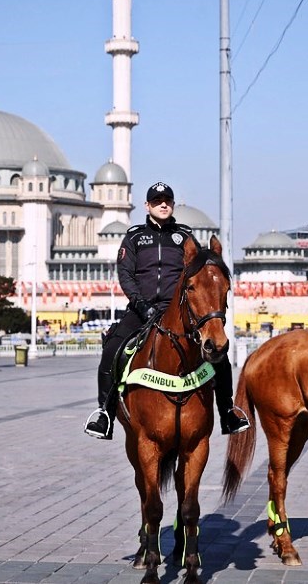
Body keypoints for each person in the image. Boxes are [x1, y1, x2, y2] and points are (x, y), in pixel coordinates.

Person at [83, 181, 251, 440]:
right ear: (147, 206)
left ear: (172, 205)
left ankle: (227, 411)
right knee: (112, 350)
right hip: (141, 310)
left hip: (179, 310)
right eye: (157, 200)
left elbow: (201, 272)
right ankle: (105, 414)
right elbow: (125, 274)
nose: (163, 204)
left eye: (167, 200)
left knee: (218, 353)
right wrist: (140, 304)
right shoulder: (135, 237)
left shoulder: (185, 237)